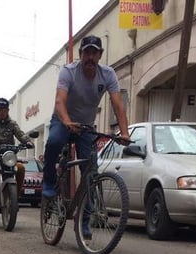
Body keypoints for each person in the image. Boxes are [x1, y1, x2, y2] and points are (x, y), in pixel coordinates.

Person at [42, 35, 130, 206]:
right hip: (63, 121)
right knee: (54, 142)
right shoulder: (68, 71)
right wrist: (67, 122)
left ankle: (86, 221)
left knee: (91, 172)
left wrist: (125, 133)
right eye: (86, 52)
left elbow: (118, 106)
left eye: (94, 53)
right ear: (80, 54)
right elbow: (60, 101)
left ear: (100, 55)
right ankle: (49, 181)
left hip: (85, 127)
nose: (90, 57)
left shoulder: (108, 74)